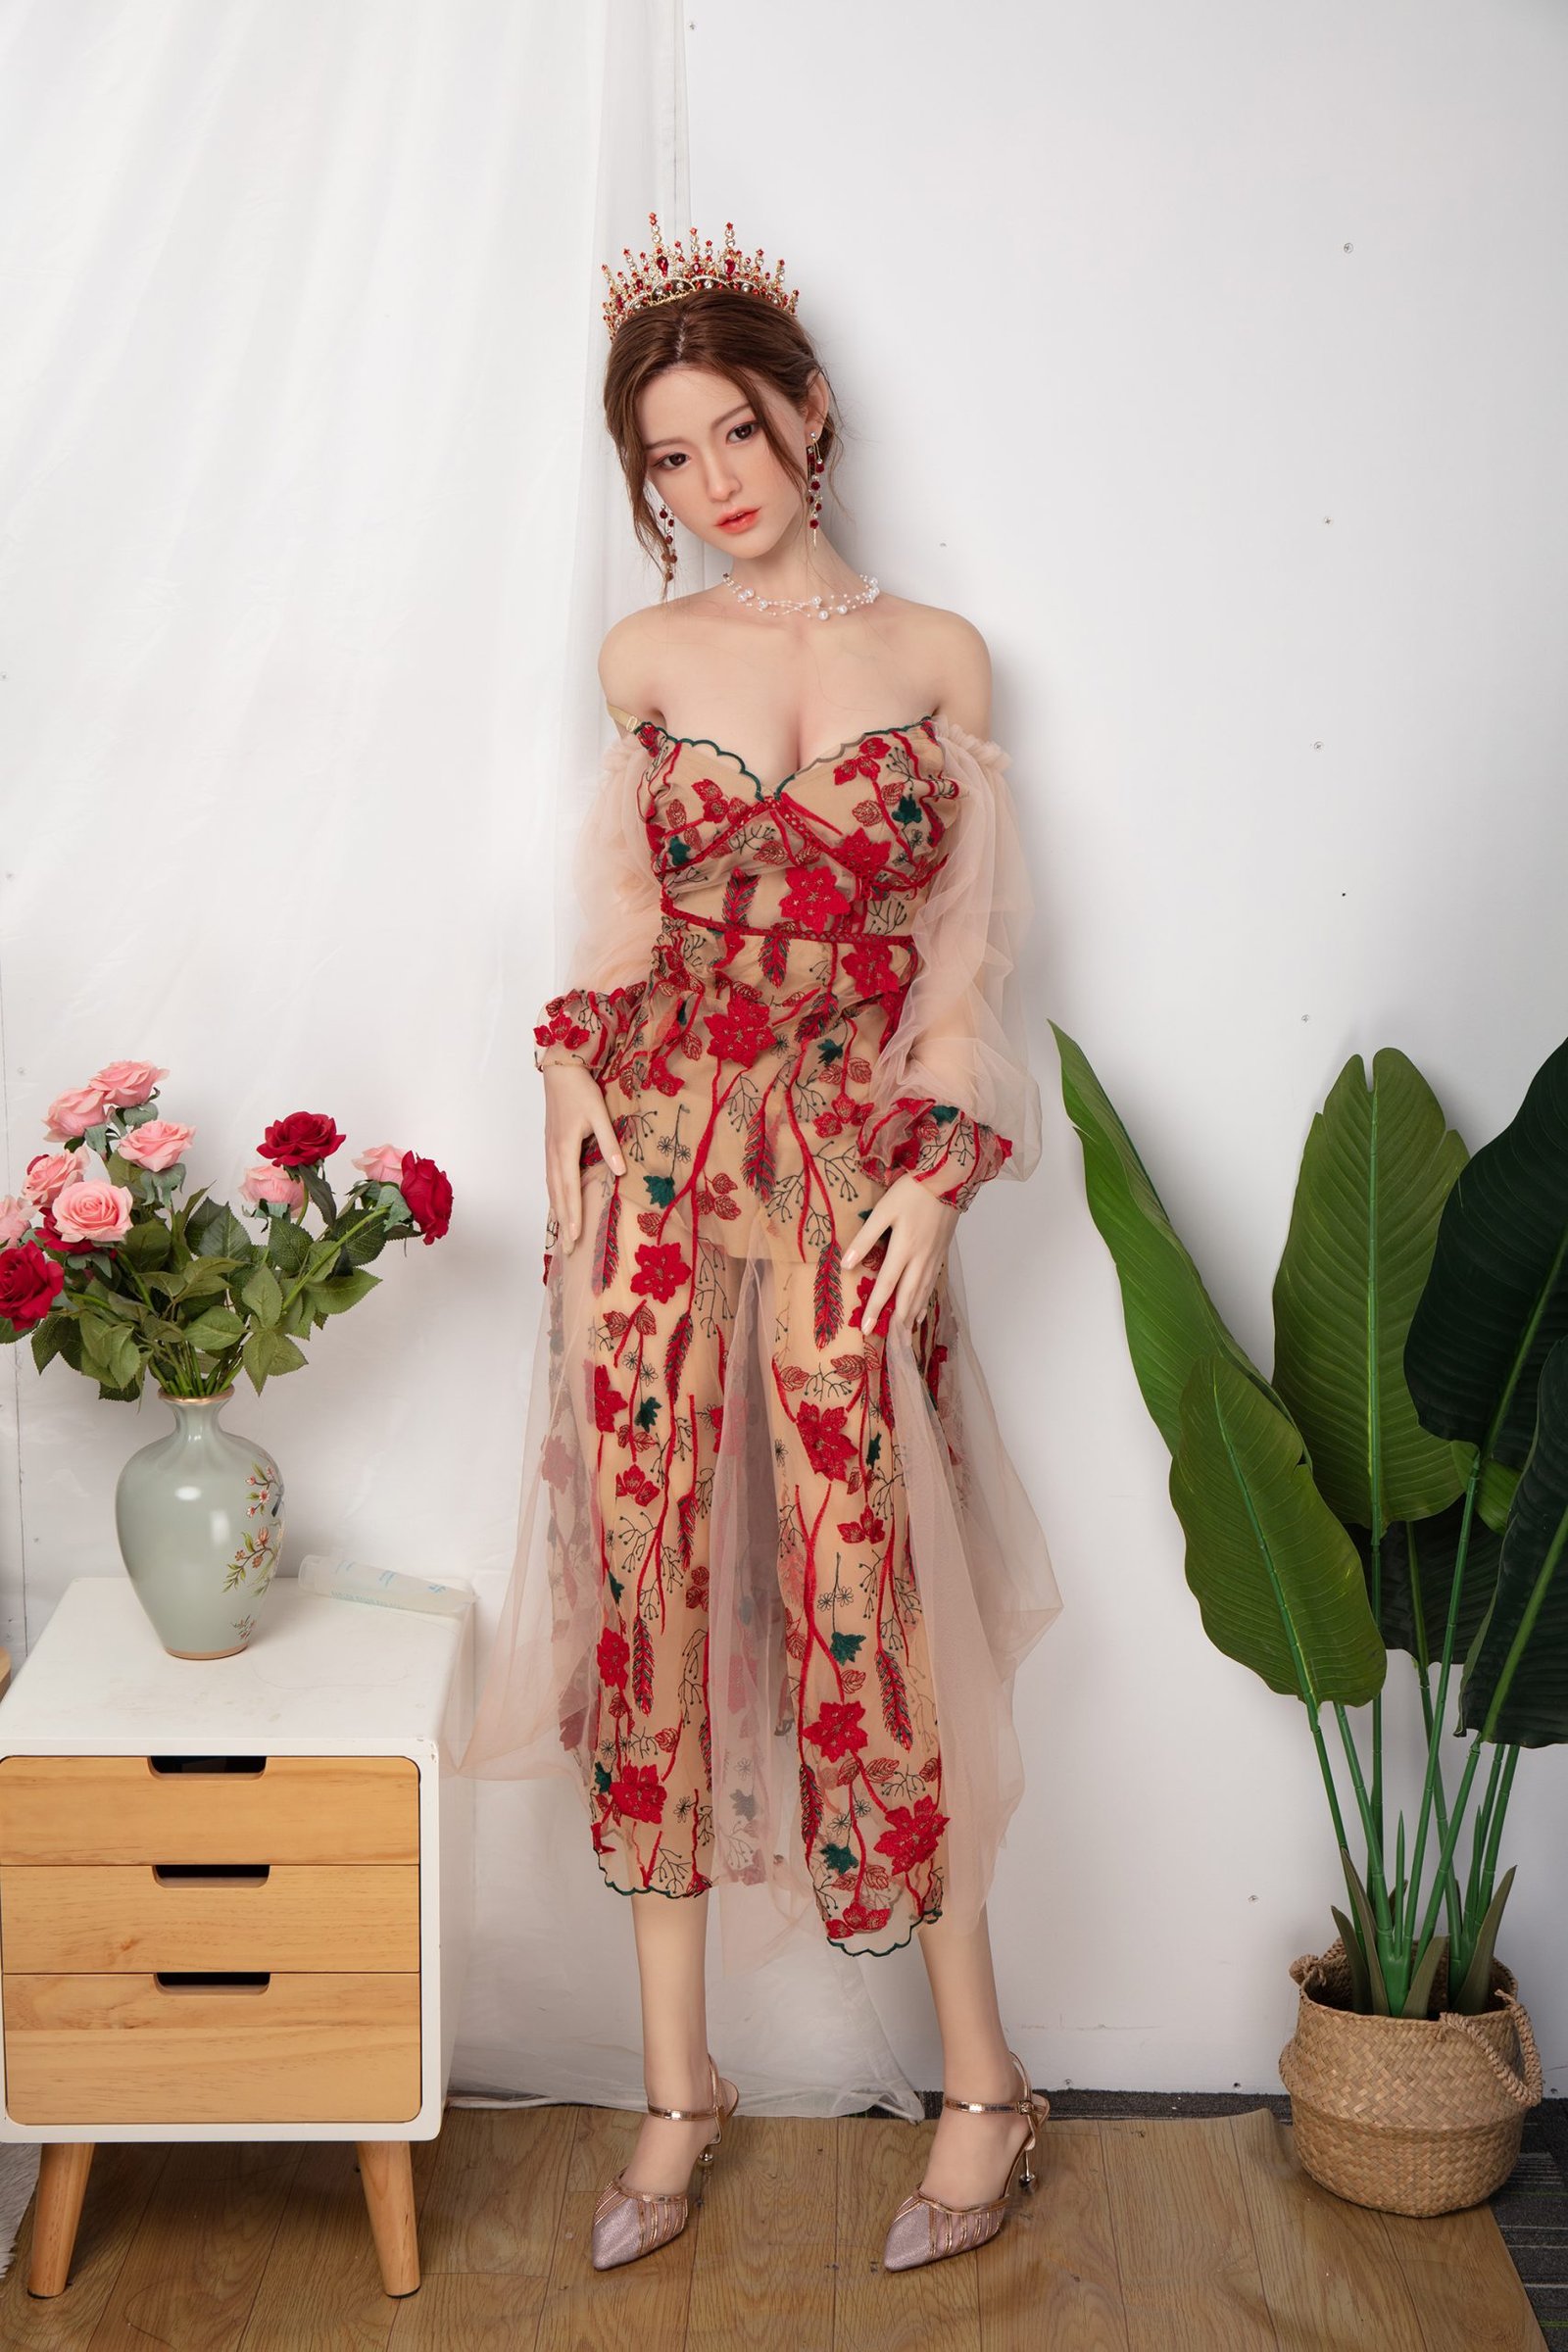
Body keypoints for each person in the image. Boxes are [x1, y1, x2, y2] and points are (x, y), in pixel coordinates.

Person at [457, 215, 1062, 2274]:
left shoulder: (941, 660)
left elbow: (964, 970)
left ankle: (981, 2082)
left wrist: (934, 1173)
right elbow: (621, 931)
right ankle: (672, 2086)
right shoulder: (644, 663)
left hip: (845, 1168)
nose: (712, 480)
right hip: (651, 1167)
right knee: (646, 1579)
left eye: (735, 428)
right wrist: (571, 1093)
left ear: (809, 412)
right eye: (667, 456)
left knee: (862, 1584)